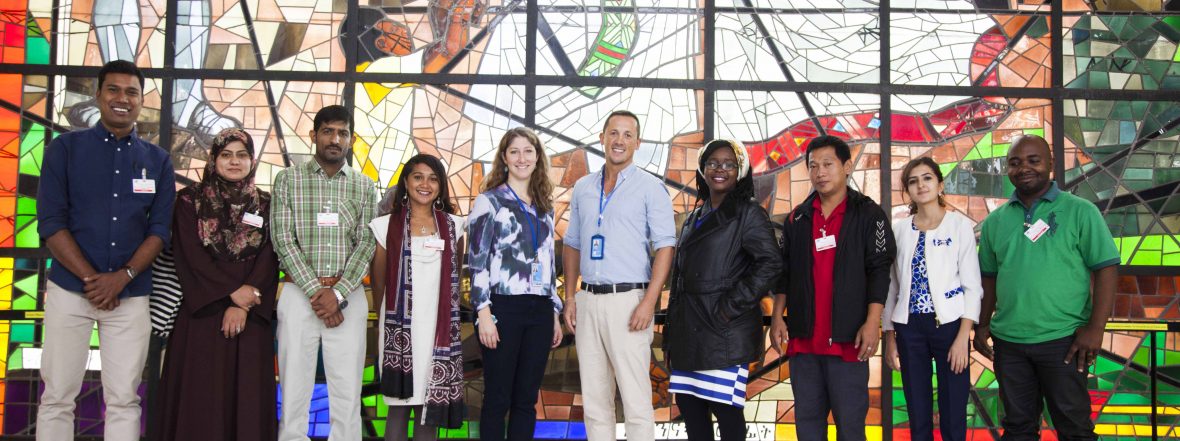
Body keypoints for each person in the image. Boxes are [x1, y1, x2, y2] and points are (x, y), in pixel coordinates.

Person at [35, 60, 176, 441]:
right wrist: (92, 279)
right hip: (70, 290)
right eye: (113, 89)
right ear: (97, 95)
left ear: (141, 101)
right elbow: (51, 223)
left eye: (132, 92)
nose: (122, 99)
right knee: (57, 397)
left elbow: (159, 231)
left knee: (125, 399)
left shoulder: (158, 161)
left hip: (131, 296)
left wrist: (122, 278)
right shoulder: (64, 149)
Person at [972, 134, 1118, 440]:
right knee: (1018, 429)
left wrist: (1096, 329)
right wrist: (982, 324)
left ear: (1051, 163)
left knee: (1074, 429)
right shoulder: (995, 222)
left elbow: (1106, 268)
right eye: (1015, 162)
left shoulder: (1080, 211)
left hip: (1064, 341)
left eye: (1033, 160)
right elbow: (990, 278)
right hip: (1009, 343)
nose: (1023, 168)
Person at [769, 135, 895, 441]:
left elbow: (880, 271)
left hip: (848, 342)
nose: (820, 172)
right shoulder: (798, 217)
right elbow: (785, 271)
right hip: (804, 343)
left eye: (828, 164)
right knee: (808, 427)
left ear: (847, 167)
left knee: (850, 429)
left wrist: (873, 323)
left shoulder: (869, 214)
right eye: (813, 166)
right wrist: (777, 316)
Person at [157, 128, 280, 440]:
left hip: (251, 316)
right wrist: (231, 294)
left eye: (242, 155)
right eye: (226, 154)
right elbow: (189, 255)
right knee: (200, 398)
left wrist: (245, 301)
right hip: (202, 313)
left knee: (247, 399)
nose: (234, 161)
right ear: (213, 159)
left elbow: (270, 256)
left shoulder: (267, 204)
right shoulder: (189, 201)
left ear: (252, 160)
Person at [562, 110, 676, 441]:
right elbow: (572, 244)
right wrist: (570, 297)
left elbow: (665, 247)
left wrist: (649, 302)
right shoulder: (583, 187)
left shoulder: (651, 188)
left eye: (628, 135)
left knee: (636, 400)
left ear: (638, 143)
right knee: (595, 401)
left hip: (629, 301)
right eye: (613, 133)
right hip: (588, 300)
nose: (619, 141)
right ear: (602, 137)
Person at [271, 105, 378, 441]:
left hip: (349, 298)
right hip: (298, 295)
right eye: (328, 131)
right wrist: (319, 294)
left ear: (351, 140)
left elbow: (366, 244)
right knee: (293, 387)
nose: (335, 139)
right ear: (313, 135)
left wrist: (338, 293)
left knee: (347, 391)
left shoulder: (364, 186)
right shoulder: (288, 180)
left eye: (342, 133)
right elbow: (282, 239)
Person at [664, 140, 782, 441]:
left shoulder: (749, 213)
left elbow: (770, 263)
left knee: (727, 415)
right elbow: (680, 278)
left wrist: (730, 307)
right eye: (713, 163)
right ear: (702, 169)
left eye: (729, 164)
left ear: (740, 171)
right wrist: (670, 336)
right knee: (692, 414)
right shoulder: (695, 216)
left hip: (723, 333)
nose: (720, 169)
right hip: (688, 334)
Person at [468, 128, 565, 441]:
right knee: (498, 398)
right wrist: (483, 313)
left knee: (526, 399)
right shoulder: (489, 201)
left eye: (528, 151)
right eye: (514, 151)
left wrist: (554, 312)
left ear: (537, 157)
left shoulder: (544, 206)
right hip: (502, 308)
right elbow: (477, 261)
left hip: (540, 310)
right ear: (504, 158)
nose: (522, 158)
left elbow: (548, 264)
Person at [882, 157, 981, 441]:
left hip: (950, 327)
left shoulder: (959, 226)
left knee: (953, 410)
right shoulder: (899, 230)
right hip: (909, 328)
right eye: (913, 181)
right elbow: (891, 288)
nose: (921, 185)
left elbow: (972, 286)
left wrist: (963, 337)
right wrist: (889, 336)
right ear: (908, 191)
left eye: (927, 178)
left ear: (940, 184)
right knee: (918, 409)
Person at [369, 154, 466, 441]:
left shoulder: (455, 226)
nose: (425, 184)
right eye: (418, 177)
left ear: (441, 186)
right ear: (406, 182)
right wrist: (384, 325)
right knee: (398, 408)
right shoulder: (384, 226)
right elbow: (379, 283)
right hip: (400, 333)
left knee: (428, 408)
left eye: (433, 179)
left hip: (438, 331)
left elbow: (455, 279)